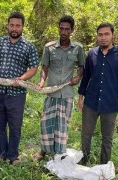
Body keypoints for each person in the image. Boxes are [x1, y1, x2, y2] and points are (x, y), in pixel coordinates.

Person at [77, 22, 118, 164]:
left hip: (110, 103)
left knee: (107, 138)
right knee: (85, 135)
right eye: (100, 34)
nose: (103, 37)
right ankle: (83, 161)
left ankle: (104, 166)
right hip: (91, 102)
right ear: (97, 36)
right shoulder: (92, 54)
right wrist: (80, 97)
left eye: (106, 34)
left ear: (112, 35)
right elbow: (86, 77)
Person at [0, 12, 38, 164]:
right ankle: (2, 154)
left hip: (17, 93)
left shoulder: (28, 46)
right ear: (7, 25)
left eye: (18, 25)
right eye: (12, 25)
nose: (14, 28)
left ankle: (13, 156)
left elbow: (34, 67)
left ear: (23, 26)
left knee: (15, 126)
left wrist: (21, 79)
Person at [35, 15, 84, 161]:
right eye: (61, 28)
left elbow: (82, 66)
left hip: (67, 93)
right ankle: (43, 151)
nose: (63, 31)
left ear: (72, 30)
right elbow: (44, 67)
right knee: (46, 123)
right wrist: (42, 81)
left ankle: (59, 154)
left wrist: (78, 77)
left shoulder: (78, 48)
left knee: (62, 126)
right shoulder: (49, 47)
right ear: (58, 28)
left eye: (67, 29)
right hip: (51, 92)